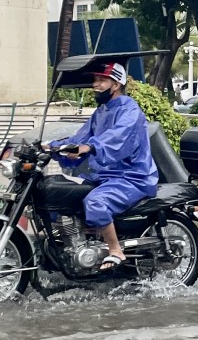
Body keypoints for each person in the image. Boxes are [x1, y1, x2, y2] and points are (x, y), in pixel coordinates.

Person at [47, 62, 159, 270]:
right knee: (62, 198)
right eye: (94, 80)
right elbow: (80, 138)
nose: (95, 84)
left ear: (116, 84)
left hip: (132, 177)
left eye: (101, 80)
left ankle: (116, 250)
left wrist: (89, 147)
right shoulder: (101, 112)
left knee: (96, 202)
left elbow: (117, 139)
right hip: (104, 176)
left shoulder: (130, 111)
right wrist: (53, 147)